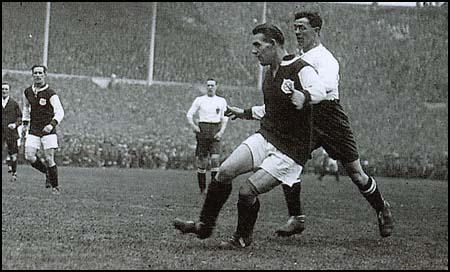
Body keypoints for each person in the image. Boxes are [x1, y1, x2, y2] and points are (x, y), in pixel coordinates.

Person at [174, 22, 327, 248]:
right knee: (224, 171)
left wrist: (304, 96)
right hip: (267, 136)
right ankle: (204, 226)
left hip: (290, 151)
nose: (254, 51)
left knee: (247, 191)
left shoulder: (300, 68)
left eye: (258, 45)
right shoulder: (269, 73)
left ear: (273, 44)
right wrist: (245, 112)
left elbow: (320, 91)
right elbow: (271, 108)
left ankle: (242, 238)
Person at [249, 12, 393, 238]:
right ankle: (296, 218)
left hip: (329, 117)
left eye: (302, 28)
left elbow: (323, 87)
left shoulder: (325, 59)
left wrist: (302, 94)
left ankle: (382, 208)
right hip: (306, 115)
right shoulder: (297, 57)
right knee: (290, 160)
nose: (297, 32)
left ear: (316, 31)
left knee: (356, 173)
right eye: (295, 28)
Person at [22, 65, 65, 195]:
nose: (38, 75)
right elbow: (25, 108)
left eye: (40, 73)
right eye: (35, 73)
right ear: (32, 75)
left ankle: (55, 187)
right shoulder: (28, 91)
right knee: (29, 156)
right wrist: (25, 125)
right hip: (34, 129)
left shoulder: (50, 93)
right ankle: (47, 172)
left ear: (45, 75)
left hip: (48, 130)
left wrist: (51, 125)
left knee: (49, 158)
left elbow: (60, 112)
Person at [186, 79, 228, 194]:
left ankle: (213, 189)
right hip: (203, 130)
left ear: (216, 87)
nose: (210, 87)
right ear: (206, 87)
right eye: (208, 85)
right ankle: (202, 189)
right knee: (202, 162)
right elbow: (189, 115)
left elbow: (225, 118)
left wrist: (221, 132)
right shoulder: (200, 100)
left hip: (215, 129)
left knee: (215, 160)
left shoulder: (221, 101)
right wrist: (194, 127)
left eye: (212, 85)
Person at [2, 82, 22, 182]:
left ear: (9, 91)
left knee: (13, 154)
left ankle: (14, 174)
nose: (4, 91)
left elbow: (20, 118)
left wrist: (15, 124)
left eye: (6, 89)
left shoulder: (14, 103)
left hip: (11, 133)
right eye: (2, 89)